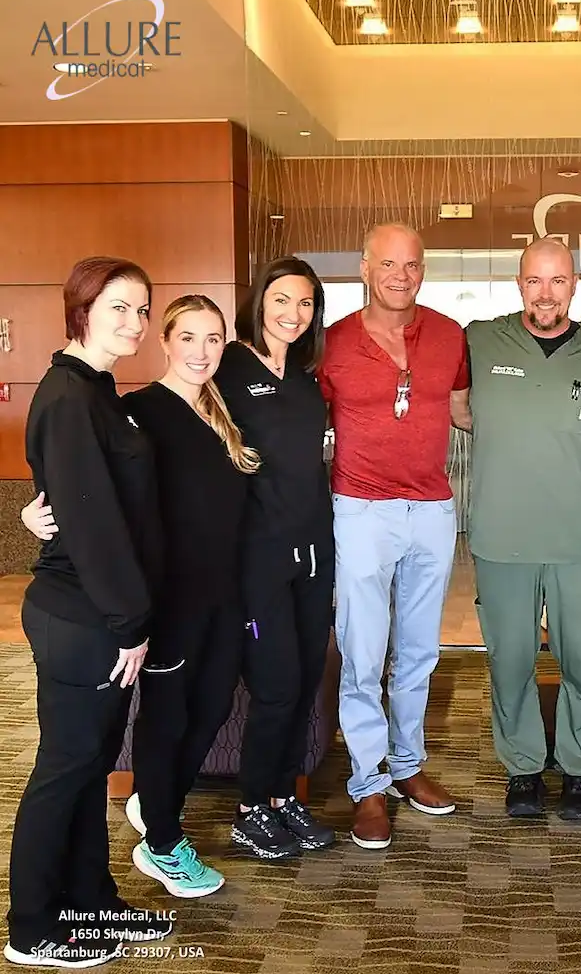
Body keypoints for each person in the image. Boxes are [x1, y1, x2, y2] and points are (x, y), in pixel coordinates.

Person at [20, 295, 259, 898]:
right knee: (168, 719)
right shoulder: (138, 412)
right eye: (188, 339)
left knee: (211, 710)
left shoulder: (221, 411)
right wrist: (35, 511)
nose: (201, 352)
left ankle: (159, 807)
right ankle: (161, 838)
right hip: (169, 598)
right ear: (166, 342)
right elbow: (90, 490)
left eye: (213, 340)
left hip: (224, 597)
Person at [5, 257, 171, 968]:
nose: (134, 323)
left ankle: (89, 904)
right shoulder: (70, 396)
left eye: (141, 309)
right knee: (64, 770)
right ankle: (34, 927)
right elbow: (92, 524)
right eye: (118, 309)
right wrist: (130, 623)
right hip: (85, 618)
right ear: (80, 311)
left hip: (97, 612)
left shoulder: (97, 390)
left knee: (90, 766)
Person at [318, 223, 471, 849]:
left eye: (411, 264)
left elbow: (465, 413)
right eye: (388, 263)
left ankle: (407, 767)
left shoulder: (450, 335)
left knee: (418, 654)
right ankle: (367, 784)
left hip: (432, 509)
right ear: (364, 267)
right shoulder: (330, 345)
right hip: (360, 510)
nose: (400, 275)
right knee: (363, 655)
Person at [466, 237, 581, 821]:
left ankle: (579, 768)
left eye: (558, 280)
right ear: (519, 283)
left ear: (575, 285)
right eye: (535, 280)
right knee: (510, 659)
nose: (547, 293)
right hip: (503, 536)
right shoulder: (480, 341)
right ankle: (524, 766)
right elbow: (453, 404)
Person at [213, 257, 336, 860]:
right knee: (276, 682)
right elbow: (168, 424)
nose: (293, 313)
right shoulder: (229, 366)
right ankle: (250, 807)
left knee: (306, 677)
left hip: (314, 553)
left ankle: (286, 796)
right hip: (259, 557)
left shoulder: (307, 377)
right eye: (282, 300)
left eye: (306, 303)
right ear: (260, 300)